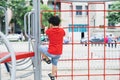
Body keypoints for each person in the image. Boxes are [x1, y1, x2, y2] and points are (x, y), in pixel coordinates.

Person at [39, 16, 65, 80]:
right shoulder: (62, 31)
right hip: (58, 53)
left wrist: (46, 28)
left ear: (50, 24)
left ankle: (46, 58)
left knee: (39, 47)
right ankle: (53, 75)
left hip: (51, 52)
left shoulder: (49, 31)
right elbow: (63, 33)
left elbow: (46, 32)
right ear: (59, 24)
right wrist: (60, 28)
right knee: (55, 64)